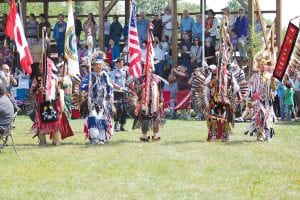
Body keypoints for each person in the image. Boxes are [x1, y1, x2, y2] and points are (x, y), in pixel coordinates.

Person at [30, 59, 74, 146]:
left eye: (45, 65)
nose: (43, 67)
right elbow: (32, 90)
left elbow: (58, 92)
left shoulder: (54, 77)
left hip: (53, 103)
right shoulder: (38, 77)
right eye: (41, 66)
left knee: (56, 121)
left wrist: (59, 86)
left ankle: (56, 141)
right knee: (41, 122)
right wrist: (38, 89)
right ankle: (42, 141)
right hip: (41, 103)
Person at [82, 58, 114, 145]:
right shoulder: (89, 75)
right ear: (93, 66)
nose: (98, 66)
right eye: (96, 64)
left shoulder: (105, 75)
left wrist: (110, 96)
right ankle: (94, 137)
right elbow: (82, 86)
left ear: (102, 65)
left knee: (102, 119)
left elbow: (110, 87)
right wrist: (86, 86)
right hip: (92, 101)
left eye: (99, 64)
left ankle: (101, 138)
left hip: (103, 101)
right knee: (93, 118)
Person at [245, 52, 276, 141]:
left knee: (267, 117)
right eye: (262, 64)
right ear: (259, 66)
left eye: (265, 64)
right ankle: (260, 134)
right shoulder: (254, 76)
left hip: (267, 101)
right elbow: (250, 88)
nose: (264, 66)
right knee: (259, 117)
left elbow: (273, 89)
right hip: (258, 101)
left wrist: (273, 89)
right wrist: (250, 99)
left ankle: (267, 134)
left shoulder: (270, 76)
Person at [110, 58, 127, 131]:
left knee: (125, 109)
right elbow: (111, 82)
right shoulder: (114, 72)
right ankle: (116, 124)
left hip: (124, 92)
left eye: (122, 63)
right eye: (119, 63)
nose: (121, 64)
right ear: (116, 64)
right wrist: (119, 87)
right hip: (117, 92)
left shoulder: (125, 71)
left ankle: (122, 126)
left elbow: (126, 81)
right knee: (118, 108)